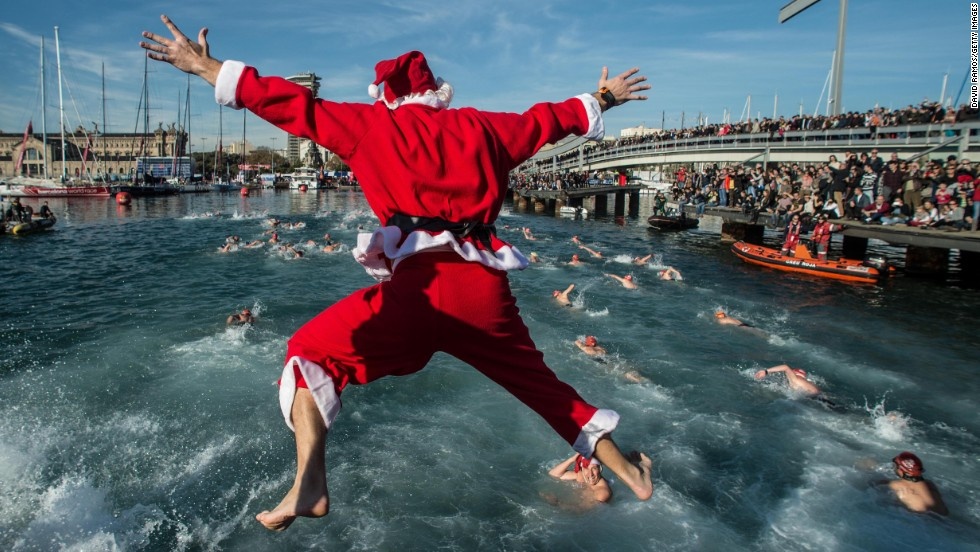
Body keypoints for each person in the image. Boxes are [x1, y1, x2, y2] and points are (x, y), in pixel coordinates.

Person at [142, 15, 656, 530]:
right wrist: (603, 98)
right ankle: (631, 475)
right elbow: (547, 119)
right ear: (438, 93)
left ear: (386, 95)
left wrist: (207, 67)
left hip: (418, 295)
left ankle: (311, 482)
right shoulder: (485, 127)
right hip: (485, 296)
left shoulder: (372, 126)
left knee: (309, 353)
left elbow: (290, 105)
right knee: (549, 393)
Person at [879, 452, 949, 516]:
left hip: (923, 520)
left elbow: (875, 484)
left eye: (896, 465)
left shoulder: (896, 485)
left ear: (901, 470)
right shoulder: (930, 484)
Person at [547, 453, 612, 506]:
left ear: (600, 469)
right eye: (586, 468)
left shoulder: (602, 493)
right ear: (582, 469)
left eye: (594, 468)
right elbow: (553, 474)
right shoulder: (582, 476)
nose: (590, 474)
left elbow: (581, 511)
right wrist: (571, 460)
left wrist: (557, 503)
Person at [753, 364, 820, 396]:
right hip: (819, 396)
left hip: (812, 397)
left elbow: (785, 367)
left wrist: (766, 371)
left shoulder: (795, 379)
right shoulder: (809, 382)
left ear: (794, 373)